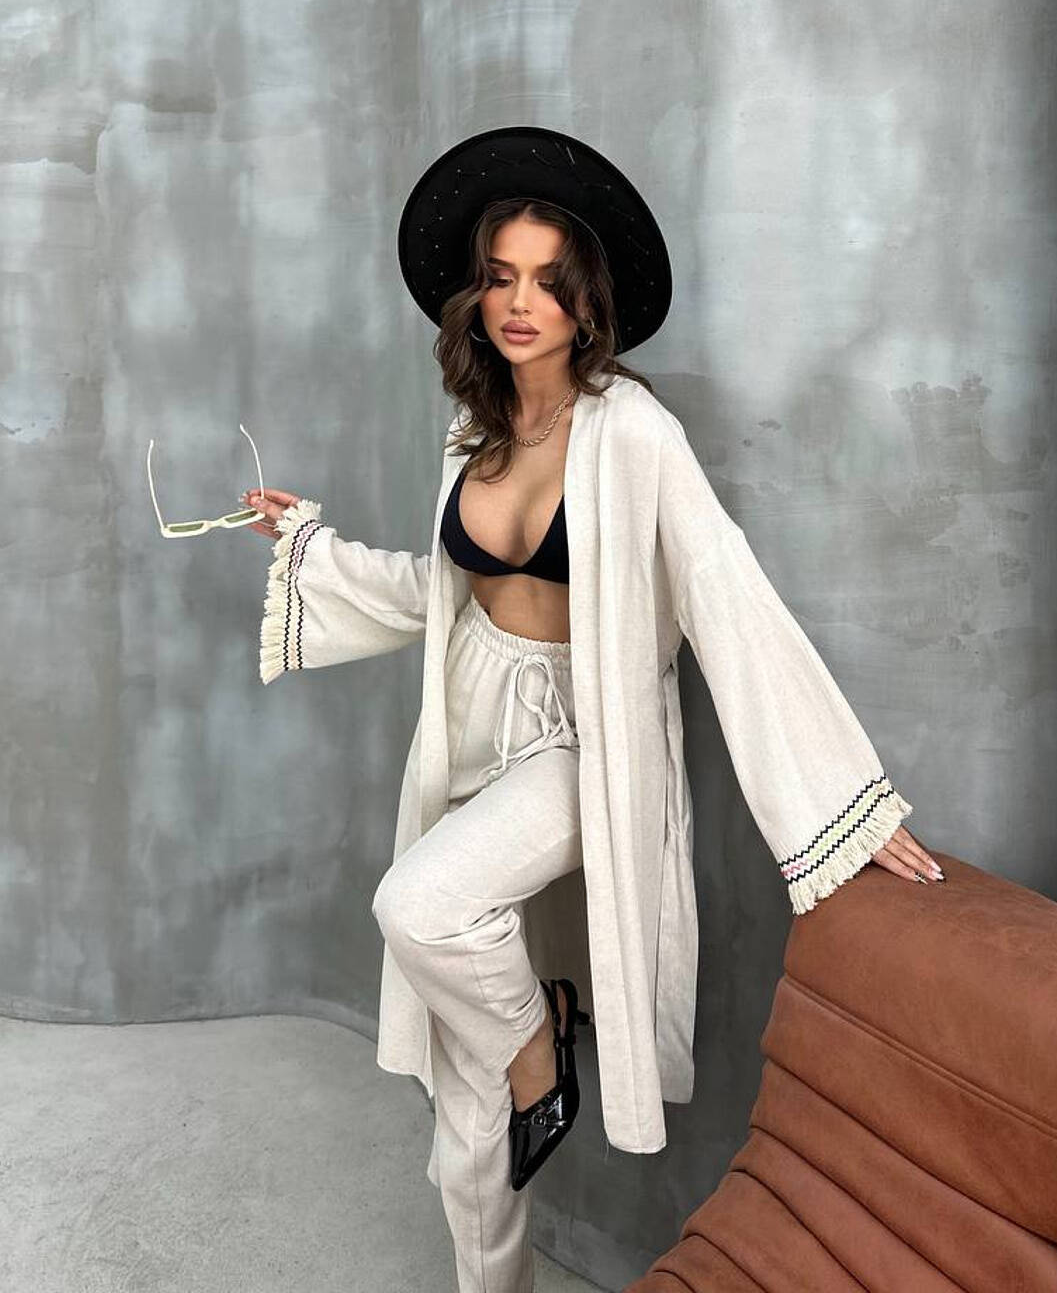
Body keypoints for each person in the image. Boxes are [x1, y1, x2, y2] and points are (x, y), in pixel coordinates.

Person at [244, 125, 942, 1293]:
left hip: (587, 740)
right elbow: (445, 592)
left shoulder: (633, 435)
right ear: (476, 294)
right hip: (473, 723)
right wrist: (311, 546)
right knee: (464, 1130)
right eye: (500, 276)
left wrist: (848, 807)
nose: (521, 304)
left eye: (548, 282)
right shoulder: (473, 432)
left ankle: (538, 1045)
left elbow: (723, 594)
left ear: (586, 304)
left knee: (420, 904)